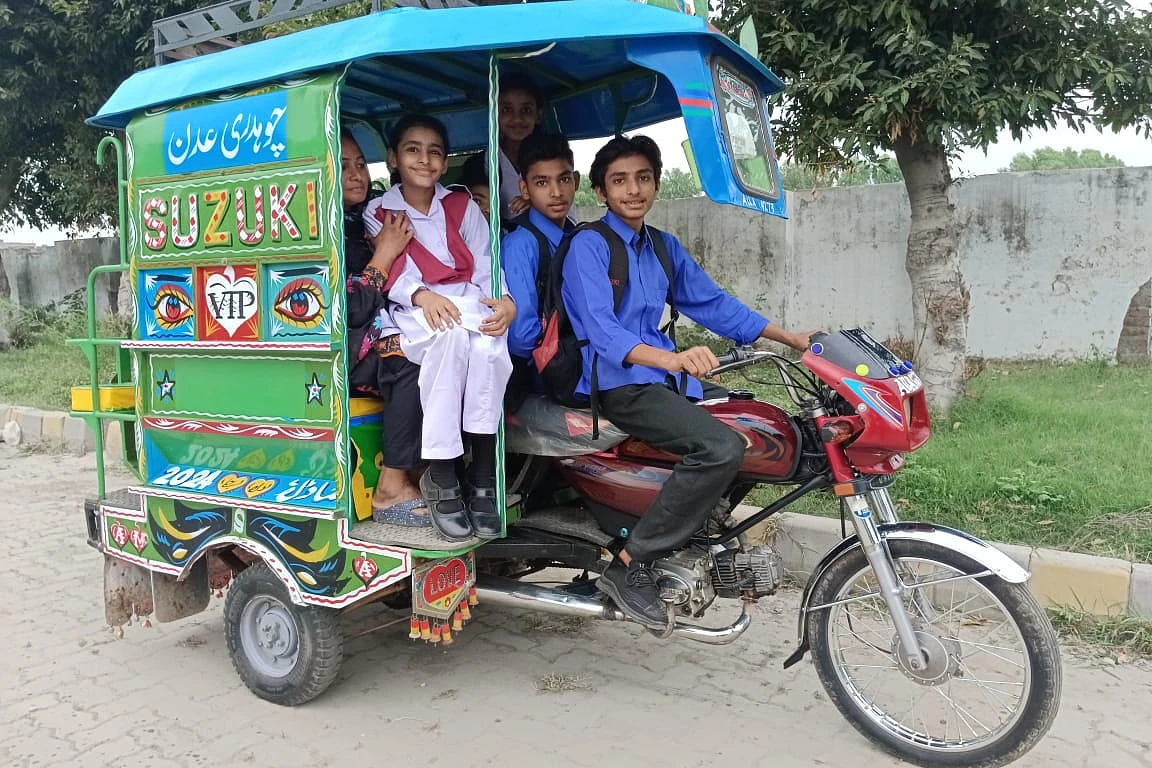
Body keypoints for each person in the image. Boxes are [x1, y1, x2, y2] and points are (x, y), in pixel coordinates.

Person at [561, 135, 814, 628]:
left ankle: (700, 530)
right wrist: (671, 359)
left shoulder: (661, 246)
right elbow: (602, 330)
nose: (633, 190)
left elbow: (714, 303)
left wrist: (791, 337)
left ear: (655, 183)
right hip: (617, 383)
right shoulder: (588, 245)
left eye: (643, 178)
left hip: (660, 378)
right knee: (720, 447)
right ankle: (631, 564)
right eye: (619, 181)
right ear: (601, 191)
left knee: (758, 424)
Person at [364, 114, 516, 541]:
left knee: (489, 346)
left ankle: (483, 477)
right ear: (394, 158)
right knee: (447, 342)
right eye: (413, 149)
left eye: (434, 151)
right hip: (416, 310)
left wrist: (504, 302)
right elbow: (390, 267)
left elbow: (486, 260)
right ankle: (444, 475)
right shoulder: (380, 211)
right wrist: (422, 296)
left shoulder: (462, 204)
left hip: (467, 300)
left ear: (444, 160)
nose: (424, 159)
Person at [339, 128, 429, 527]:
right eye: (343, 167)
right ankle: (391, 487)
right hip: (342, 350)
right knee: (408, 357)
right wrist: (386, 253)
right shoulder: (323, 233)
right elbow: (352, 309)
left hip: (382, 327)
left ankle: (427, 473)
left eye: (360, 164)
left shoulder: (365, 219)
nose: (357, 175)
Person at [500, 132, 579, 401]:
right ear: (525, 189)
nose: (556, 193)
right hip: (546, 379)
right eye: (542, 182)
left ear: (576, 181)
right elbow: (521, 337)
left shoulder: (578, 237)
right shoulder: (521, 243)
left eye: (564, 179)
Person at [495, 73, 545, 219]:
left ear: (539, 116)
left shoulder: (552, 160)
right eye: (506, 110)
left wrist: (537, 208)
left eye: (526, 110)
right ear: (495, 115)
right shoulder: (481, 165)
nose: (517, 119)